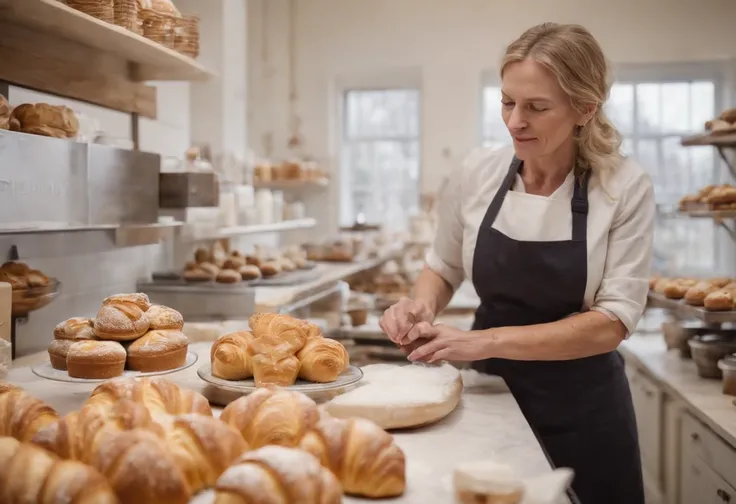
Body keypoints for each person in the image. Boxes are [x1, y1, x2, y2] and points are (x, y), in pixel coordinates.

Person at [379, 22, 654, 504]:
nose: (514, 122)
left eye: (536, 107)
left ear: (585, 109)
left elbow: (611, 323)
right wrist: (420, 307)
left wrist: (480, 340)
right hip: (488, 395)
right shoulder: (478, 173)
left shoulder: (624, 187)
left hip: (585, 411)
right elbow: (442, 267)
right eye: (507, 102)